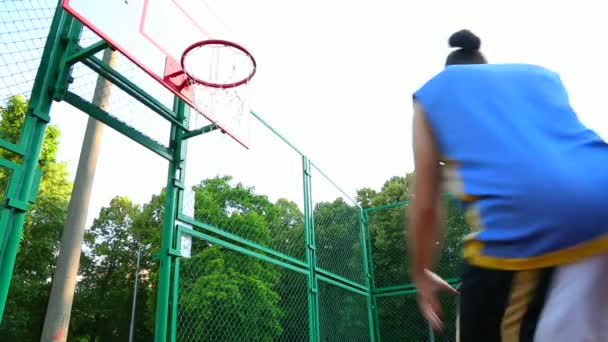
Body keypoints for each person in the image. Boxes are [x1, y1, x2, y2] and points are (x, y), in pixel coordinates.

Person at [409, 29, 608, 341]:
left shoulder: (434, 94)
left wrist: (421, 274)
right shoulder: (539, 76)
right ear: (486, 63)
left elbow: (425, 205)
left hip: (533, 225)